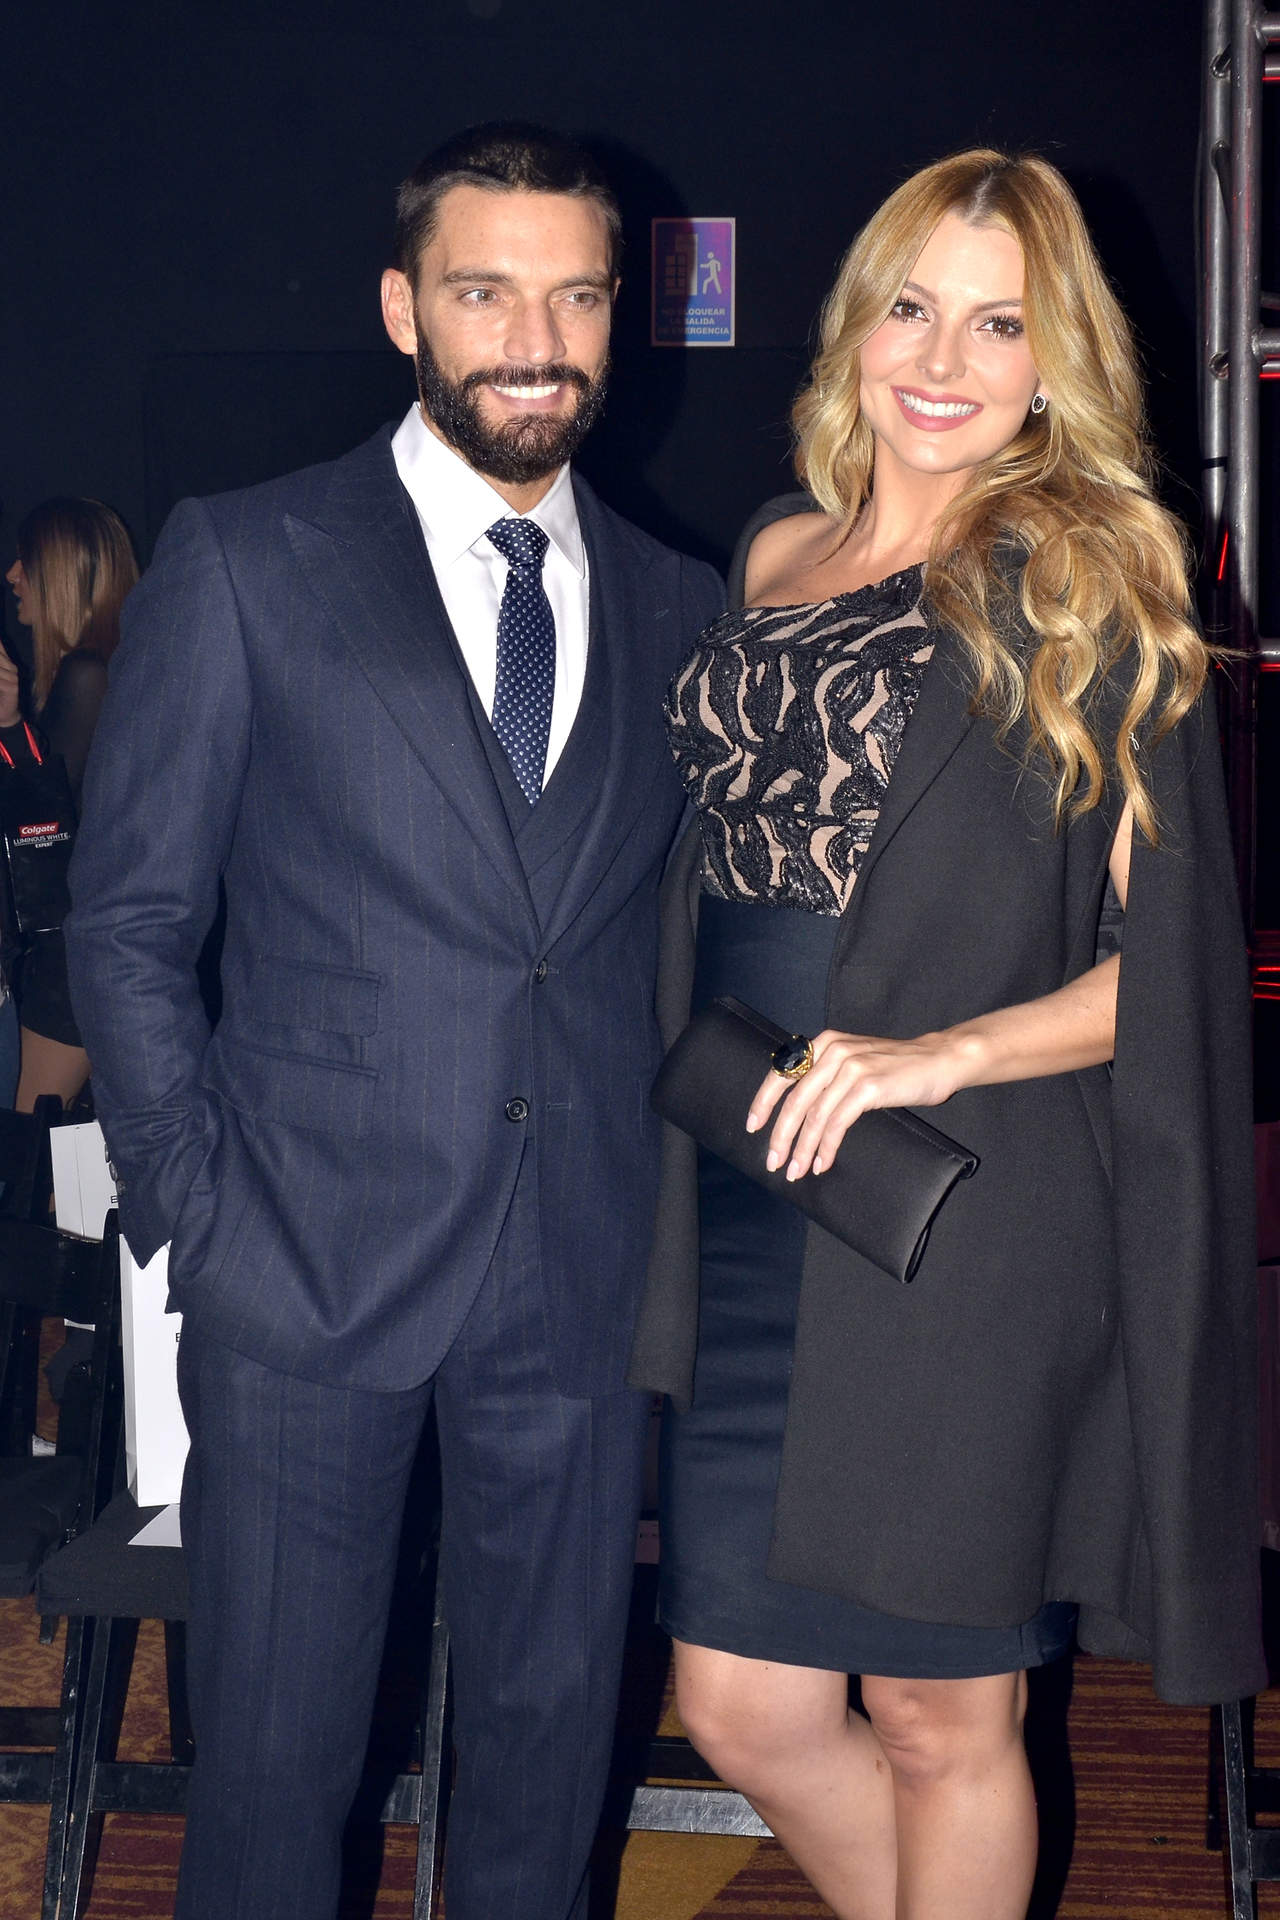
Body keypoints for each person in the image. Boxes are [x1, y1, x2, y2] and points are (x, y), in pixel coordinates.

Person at [64, 122, 722, 1920]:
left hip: (579, 1272)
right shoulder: (247, 559)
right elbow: (129, 924)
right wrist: (197, 1206)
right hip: (300, 1270)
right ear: (400, 308)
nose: (536, 339)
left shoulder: (681, 603)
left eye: (575, 296)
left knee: (547, 1763)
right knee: (277, 1775)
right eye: (485, 292)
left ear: (620, 317)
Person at [628, 148, 1263, 1920]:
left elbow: (1171, 972)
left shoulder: (1094, 577)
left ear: (1056, 364)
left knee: (935, 1714)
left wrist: (940, 1053)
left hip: (960, 1208)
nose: (942, 358)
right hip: (750, 1190)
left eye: (999, 324)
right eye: (912, 307)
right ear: (856, 327)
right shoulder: (776, 550)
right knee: (741, 1710)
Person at [2, 497, 136, 1113]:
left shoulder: (88, 675)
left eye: (26, 560)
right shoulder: (96, 670)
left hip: (72, 961)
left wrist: (10, 729)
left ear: (60, 571)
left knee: (29, 1147)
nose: (12, 575)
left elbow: (49, 832)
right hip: (77, 956)